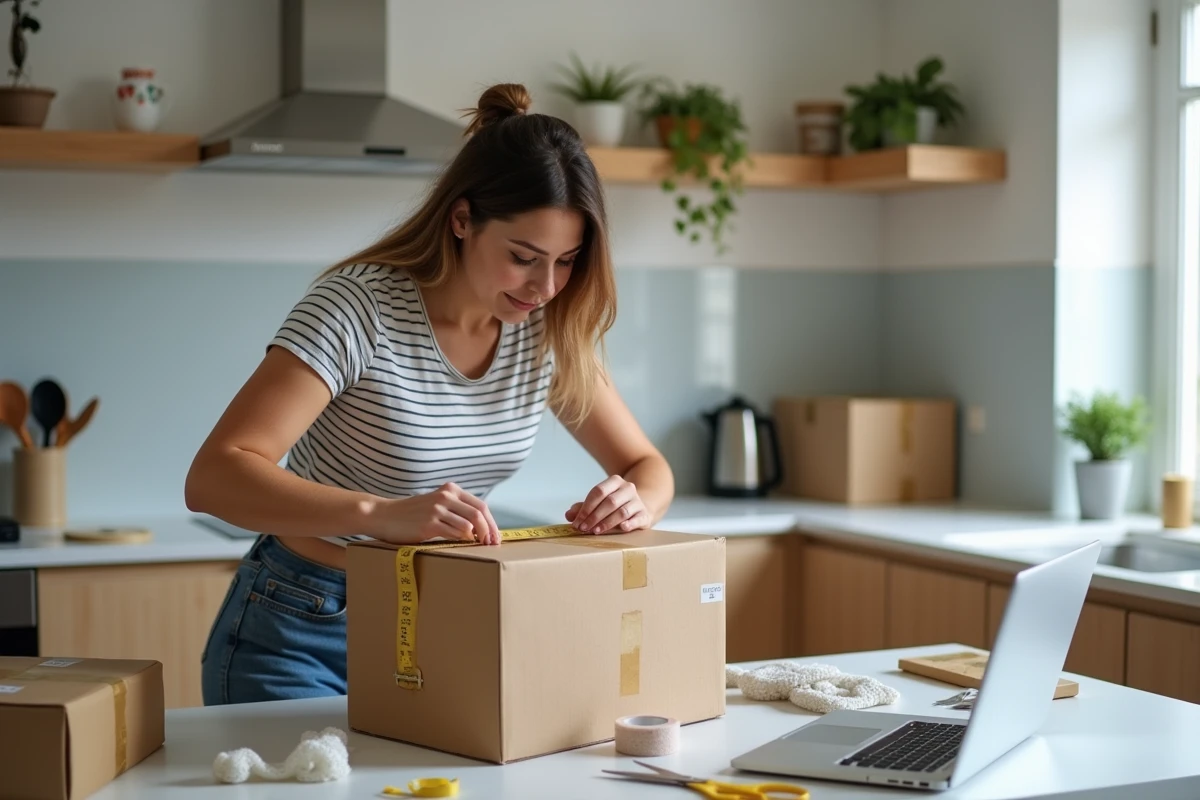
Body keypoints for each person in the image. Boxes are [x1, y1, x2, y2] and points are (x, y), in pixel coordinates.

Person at [186, 83, 675, 706]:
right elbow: (213, 477)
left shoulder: (544, 333)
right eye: (524, 256)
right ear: (463, 218)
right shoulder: (358, 309)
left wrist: (637, 505)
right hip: (302, 626)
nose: (545, 286)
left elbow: (647, 467)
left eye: (567, 261)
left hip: (443, 625)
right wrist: (380, 515)